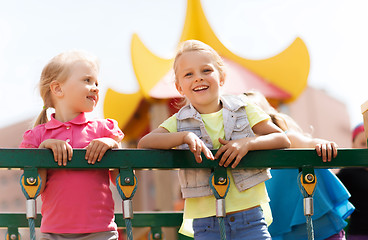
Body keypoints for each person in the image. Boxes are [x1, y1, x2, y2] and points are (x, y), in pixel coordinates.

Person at [138, 40, 291, 240]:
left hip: (249, 217)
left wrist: (247, 143)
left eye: (206, 70)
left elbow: (282, 138)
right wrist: (184, 136)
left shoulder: (244, 109)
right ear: (179, 87)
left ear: (222, 77)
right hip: (206, 223)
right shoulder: (179, 121)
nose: (198, 78)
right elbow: (145, 143)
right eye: (188, 74)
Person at [19, 50, 124, 240]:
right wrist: (43, 150)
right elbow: (33, 189)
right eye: (87, 80)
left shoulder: (103, 129)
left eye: (96, 82)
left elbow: (122, 181)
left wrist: (112, 145)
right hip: (54, 233)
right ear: (58, 89)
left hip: (100, 231)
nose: (95, 88)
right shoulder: (38, 136)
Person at [245, 91, 354, 240]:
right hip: (280, 224)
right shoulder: (244, 151)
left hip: (317, 221)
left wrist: (322, 144)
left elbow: (306, 143)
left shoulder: (285, 138)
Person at [337, 123, 368, 240]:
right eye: (363, 144)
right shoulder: (349, 172)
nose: (367, 147)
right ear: (353, 145)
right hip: (359, 233)